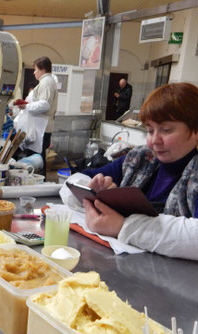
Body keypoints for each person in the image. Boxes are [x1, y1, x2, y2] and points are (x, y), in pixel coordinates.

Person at [81, 82, 198, 260]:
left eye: (166, 130)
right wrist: (95, 194)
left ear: (195, 130)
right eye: (150, 131)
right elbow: (79, 179)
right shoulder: (142, 159)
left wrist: (122, 226)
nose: (154, 141)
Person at [16, 57, 58, 176]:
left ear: (43, 69)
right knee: (36, 157)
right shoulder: (45, 82)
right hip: (39, 127)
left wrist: (27, 106)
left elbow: (45, 105)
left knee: (37, 158)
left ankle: (37, 181)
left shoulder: (47, 82)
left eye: (36, 69)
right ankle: (35, 180)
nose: (34, 72)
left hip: (42, 127)